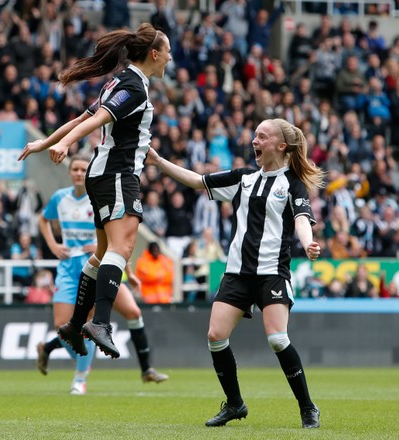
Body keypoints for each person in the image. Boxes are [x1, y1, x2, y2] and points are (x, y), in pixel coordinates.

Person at [146, 118, 324, 429]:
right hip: (237, 273)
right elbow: (198, 181)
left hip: (272, 273)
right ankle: (235, 404)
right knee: (216, 336)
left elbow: (301, 220)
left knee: (278, 339)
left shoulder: (292, 184)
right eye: (254, 134)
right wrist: (159, 162)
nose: (254, 140)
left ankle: (308, 407)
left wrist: (309, 244)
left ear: (281, 146)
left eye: (262, 136)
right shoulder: (243, 178)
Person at [18, 23, 172, 358]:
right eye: (168, 52)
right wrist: (64, 144)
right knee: (123, 246)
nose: (170, 59)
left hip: (103, 174)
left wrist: (46, 141)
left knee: (103, 253)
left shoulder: (119, 82)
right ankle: (100, 322)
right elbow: (97, 119)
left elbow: (82, 117)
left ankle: (75, 325)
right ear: (154, 54)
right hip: (118, 174)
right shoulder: (133, 86)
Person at [36, 155, 168, 394]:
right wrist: (54, 246)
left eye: (82, 169)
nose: (78, 173)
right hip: (69, 267)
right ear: (70, 172)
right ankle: (50, 349)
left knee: (129, 312)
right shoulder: (60, 198)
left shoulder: (98, 198)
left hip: (100, 265)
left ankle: (83, 378)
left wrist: (128, 271)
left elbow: (116, 242)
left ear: (88, 173)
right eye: (74, 169)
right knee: (62, 325)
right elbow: (43, 220)